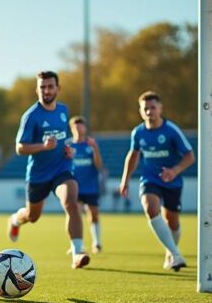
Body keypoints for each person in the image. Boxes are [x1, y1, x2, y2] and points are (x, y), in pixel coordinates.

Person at [7, 71, 90, 269]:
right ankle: (15, 220)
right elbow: (20, 148)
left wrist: (67, 148)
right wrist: (43, 147)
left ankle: (77, 253)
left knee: (71, 202)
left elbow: (62, 138)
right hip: (38, 174)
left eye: (50, 86)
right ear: (37, 89)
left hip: (62, 168)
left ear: (58, 89)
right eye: (42, 87)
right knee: (32, 216)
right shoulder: (31, 116)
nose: (46, 90)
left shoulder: (63, 110)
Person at [119, 92, 194, 271]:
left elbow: (190, 156)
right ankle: (176, 255)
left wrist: (174, 171)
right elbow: (134, 155)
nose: (149, 111)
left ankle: (171, 253)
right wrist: (125, 180)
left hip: (172, 181)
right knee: (150, 208)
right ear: (140, 111)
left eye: (152, 107)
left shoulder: (171, 130)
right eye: (145, 108)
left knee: (172, 222)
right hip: (150, 179)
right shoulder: (138, 132)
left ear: (160, 108)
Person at [68, 116, 104, 253]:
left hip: (90, 186)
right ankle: (77, 245)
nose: (78, 128)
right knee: (74, 215)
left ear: (85, 128)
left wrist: (95, 149)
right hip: (74, 187)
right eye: (75, 126)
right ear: (71, 129)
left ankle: (96, 242)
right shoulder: (68, 146)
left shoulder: (91, 145)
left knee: (93, 214)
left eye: (81, 126)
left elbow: (99, 165)